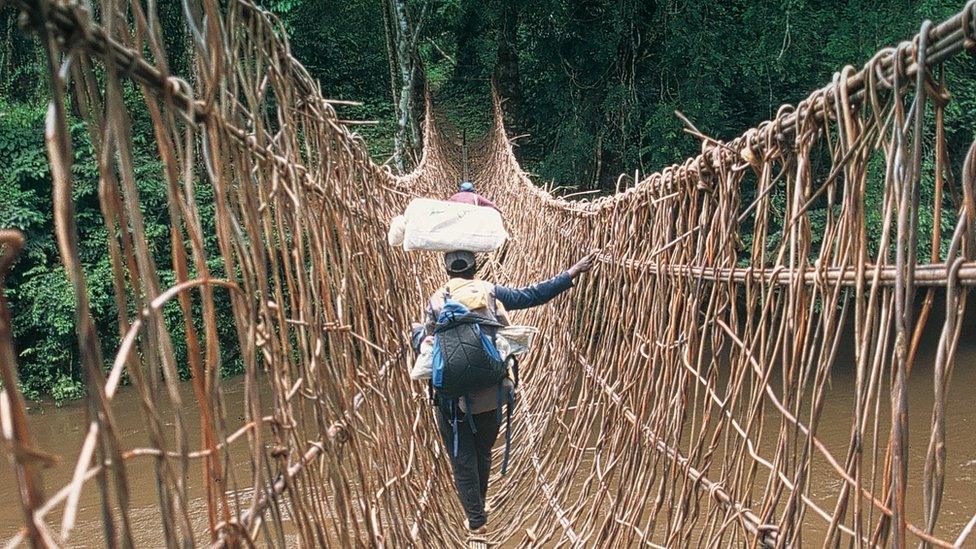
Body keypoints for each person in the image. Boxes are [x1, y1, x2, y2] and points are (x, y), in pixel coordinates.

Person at [420, 249, 596, 535]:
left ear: (446, 269)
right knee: (483, 451)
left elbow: (428, 343)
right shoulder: (490, 291)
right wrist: (571, 273)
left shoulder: (436, 299)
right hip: (491, 390)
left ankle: (476, 519)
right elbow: (531, 296)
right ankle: (479, 507)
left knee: (461, 457)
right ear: (475, 267)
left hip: (452, 399)